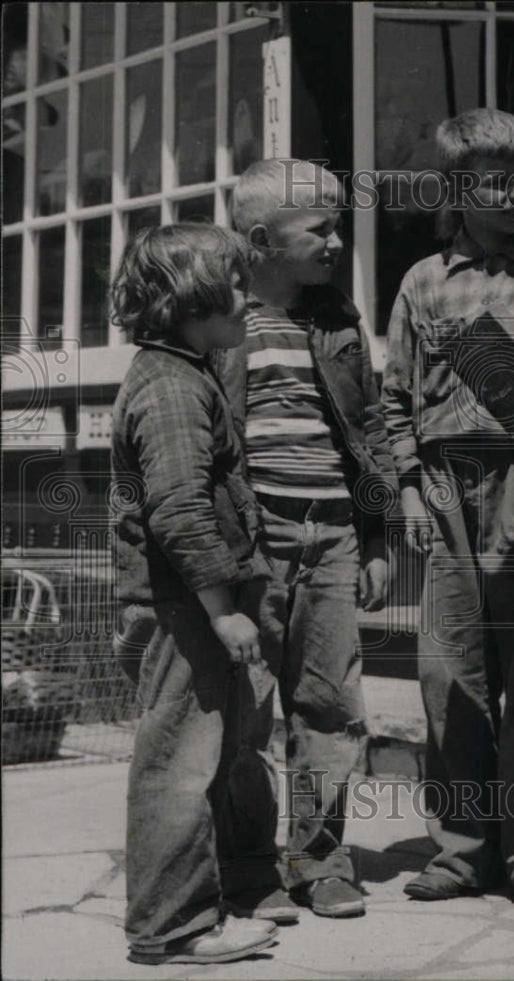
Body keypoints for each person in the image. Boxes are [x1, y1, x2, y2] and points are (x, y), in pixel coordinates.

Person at [380, 108, 514, 903]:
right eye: (495, 179)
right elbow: (395, 397)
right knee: (450, 675)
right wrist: (408, 483)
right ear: (457, 190)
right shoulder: (422, 282)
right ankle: (461, 852)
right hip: (444, 490)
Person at [213, 159, 398, 919]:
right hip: (255, 541)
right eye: (318, 227)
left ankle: (320, 859)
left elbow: (369, 427)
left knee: (329, 702)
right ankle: (250, 866)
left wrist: (378, 534)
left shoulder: (339, 320)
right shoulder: (217, 319)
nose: (335, 239)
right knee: (248, 707)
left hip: (332, 537)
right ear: (261, 240)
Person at [111, 224, 280, 964]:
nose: (249, 297)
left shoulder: (180, 369)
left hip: (190, 604)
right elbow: (177, 508)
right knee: (179, 765)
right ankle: (171, 927)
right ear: (189, 300)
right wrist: (223, 610)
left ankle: (193, 910)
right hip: (185, 608)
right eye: (236, 285)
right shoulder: (173, 386)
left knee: (199, 757)